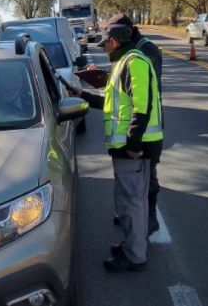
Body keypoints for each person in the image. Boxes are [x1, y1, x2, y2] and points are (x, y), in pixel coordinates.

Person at [69, 14, 163, 272]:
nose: (104, 47)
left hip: (135, 148)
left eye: (105, 43)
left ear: (114, 41)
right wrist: (84, 95)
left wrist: (133, 145)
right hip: (129, 147)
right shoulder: (124, 63)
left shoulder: (134, 63)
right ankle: (132, 246)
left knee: (133, 201)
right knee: (132, 200)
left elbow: (141, 107)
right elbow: (112, 104)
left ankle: (135, 256)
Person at [115, 14, 164, 234]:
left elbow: (142, 95)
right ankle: (135, 216)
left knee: (148, 178)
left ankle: (150, 219)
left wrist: (134, 142)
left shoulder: (145, 50)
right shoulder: (130, 51)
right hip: (134, 124)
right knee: (136, 180)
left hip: (146, 128)